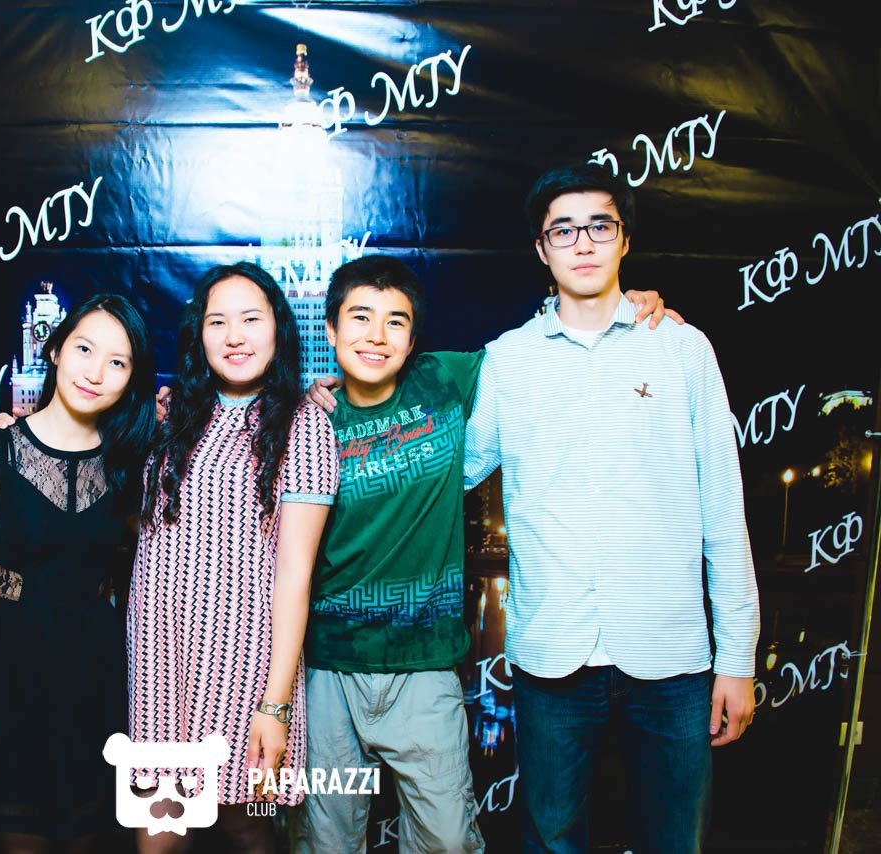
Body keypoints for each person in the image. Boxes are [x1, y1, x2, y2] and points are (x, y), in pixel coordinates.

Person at [296, 257, 670, 854]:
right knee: (327, 839)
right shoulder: (306, 422)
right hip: (326, 669)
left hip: (424, 666)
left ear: (413, 340)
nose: (376, 335)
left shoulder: (444, 377)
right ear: (332, 330)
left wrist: (624, 308)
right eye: (360, 318)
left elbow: (541, 343)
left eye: (396, 322)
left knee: (447, 840)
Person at [463, 163, 759, 852]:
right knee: (552, 841)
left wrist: (737, 656)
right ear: (542, 250)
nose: (583, 243)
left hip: (672, 656)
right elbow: (447, 472)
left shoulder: (682, 349)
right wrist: (346, 397)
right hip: (553, 657)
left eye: (600, 225)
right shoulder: (507, 361)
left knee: (674, 841)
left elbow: (724, 509)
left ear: (625, 239)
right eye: (563, 230)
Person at [129, 262, 339, 853]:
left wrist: (275, 705)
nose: (235, 336)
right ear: (199, 334)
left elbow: (295, 575)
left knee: (245, 825)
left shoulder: (303, 424)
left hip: (243, 664)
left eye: (251, 319)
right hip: (159, 659)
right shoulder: (173, 415)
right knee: (159, 830)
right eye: (217, 322)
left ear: (279, 328)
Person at [0, 294, 156, 853]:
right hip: (10, 678)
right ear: (56, 350)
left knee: (86, 838)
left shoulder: (131, 462)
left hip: (95, 682)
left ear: (131, 379)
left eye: (117, 361)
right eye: (84, 349)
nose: (95, 372)